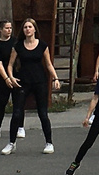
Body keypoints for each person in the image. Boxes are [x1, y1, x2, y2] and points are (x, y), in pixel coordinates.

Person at [4, 17, 60, 155]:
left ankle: (49, 142)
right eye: (25, 27)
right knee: (17, 112)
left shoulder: (42, 45)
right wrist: (10, 77)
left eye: (30, 27)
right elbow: (10, 65)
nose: (27, 29)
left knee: (43, 113)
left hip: (40, 81)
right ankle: (11, 143)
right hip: (23, 81)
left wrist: (55, 78)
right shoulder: (18, 46)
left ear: (35, 29)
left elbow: (48, 64)